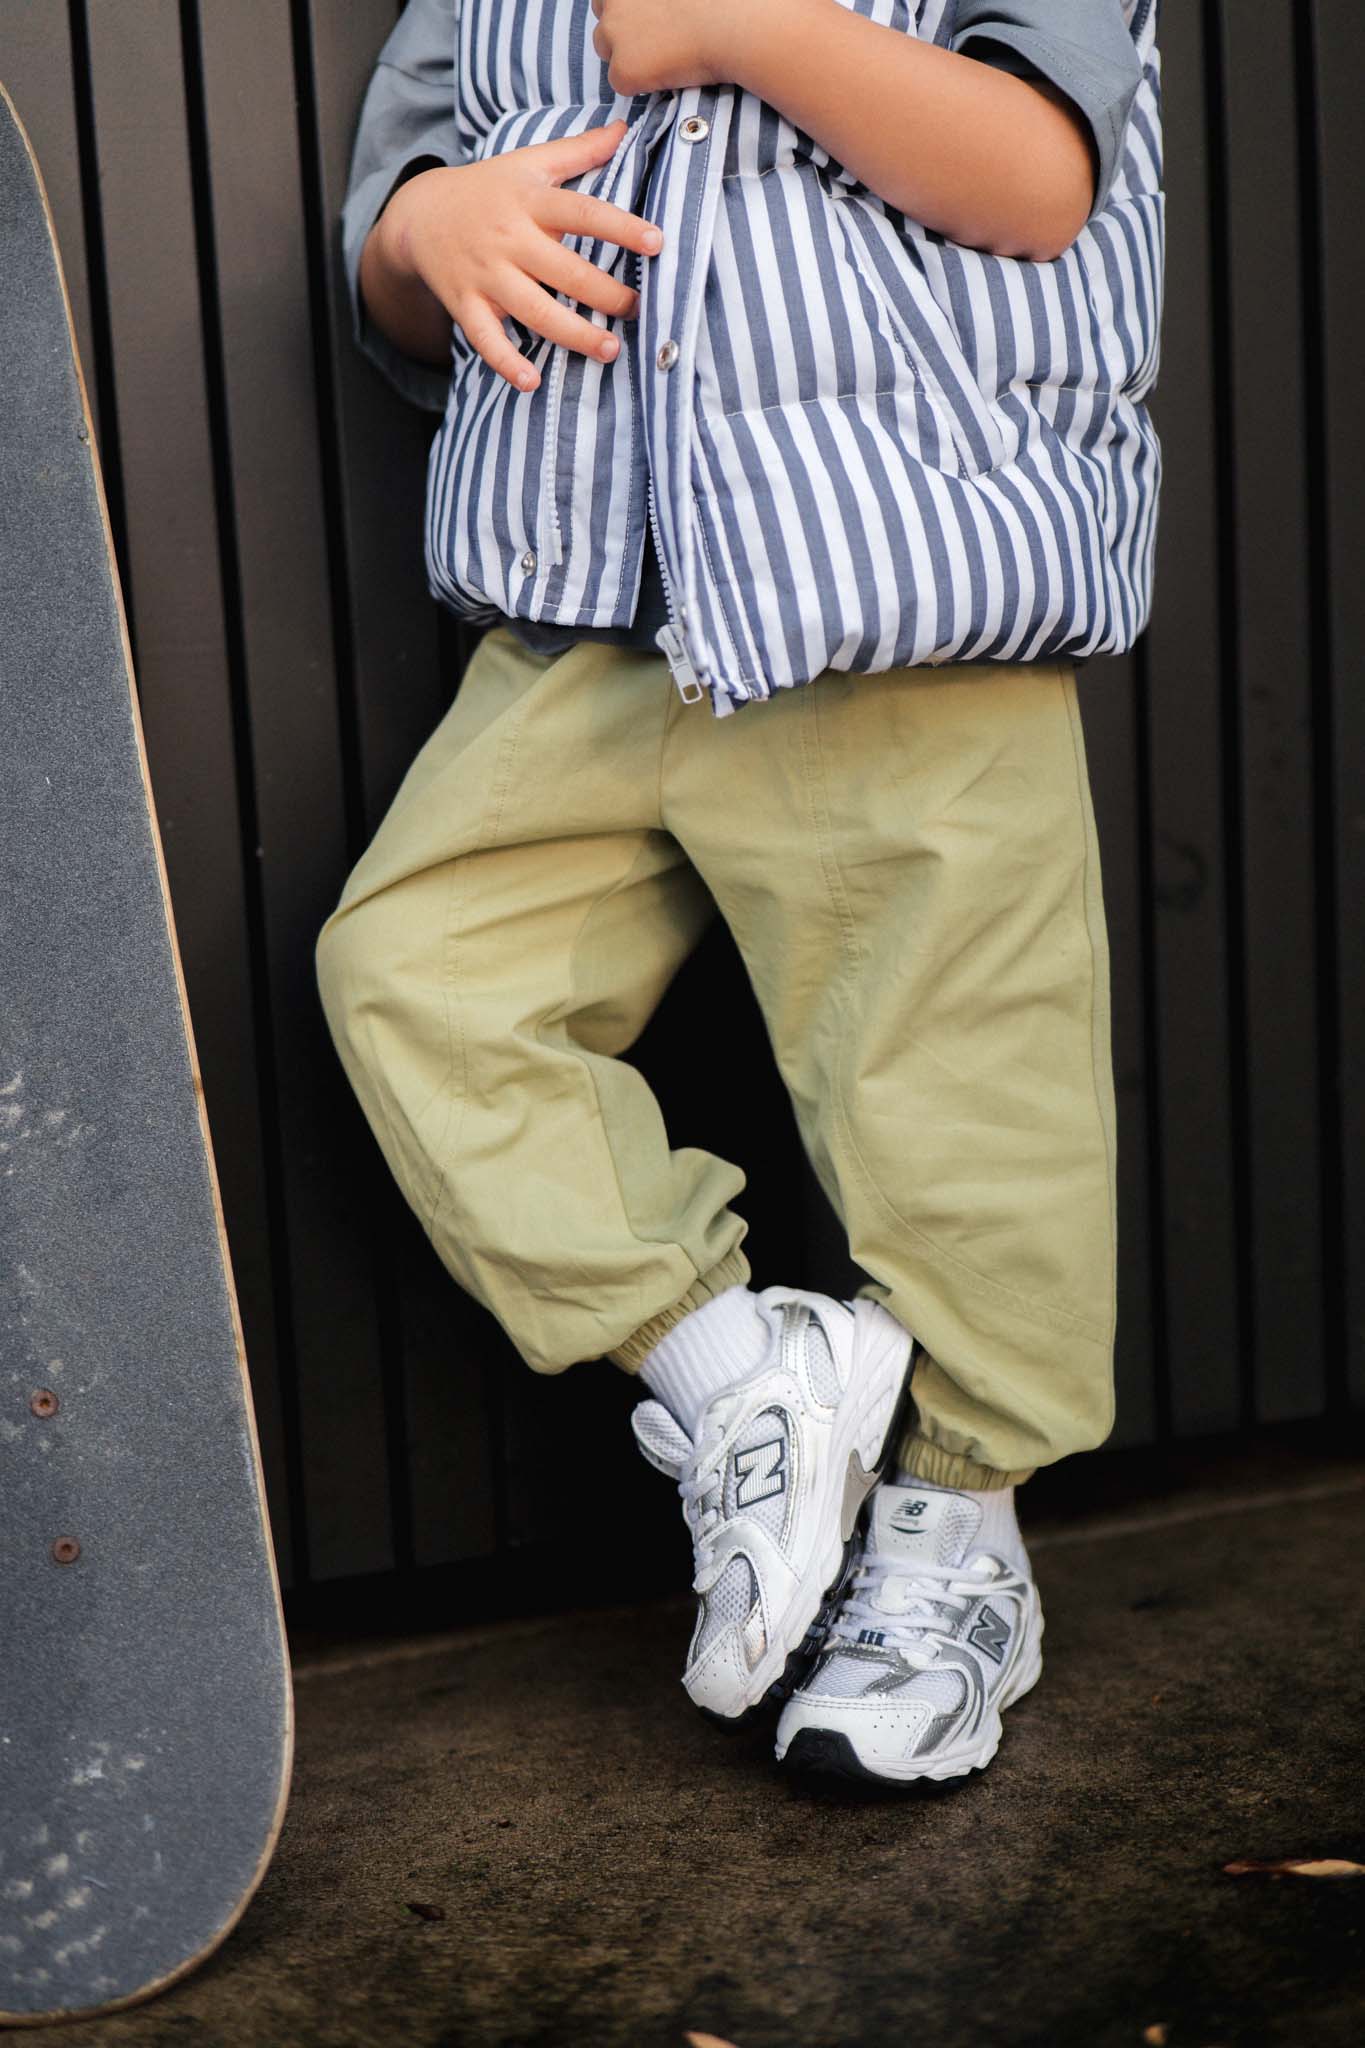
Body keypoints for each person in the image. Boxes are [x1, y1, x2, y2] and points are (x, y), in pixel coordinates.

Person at [318, 0, 1162, 1785]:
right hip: (587, 603)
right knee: (417, 969)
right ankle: (732, 1371)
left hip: (901, 595)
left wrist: (743, 28)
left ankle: (957, 1540)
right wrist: (421, 235)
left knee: (958, 1092)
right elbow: (401, 230)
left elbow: (1033, 178)